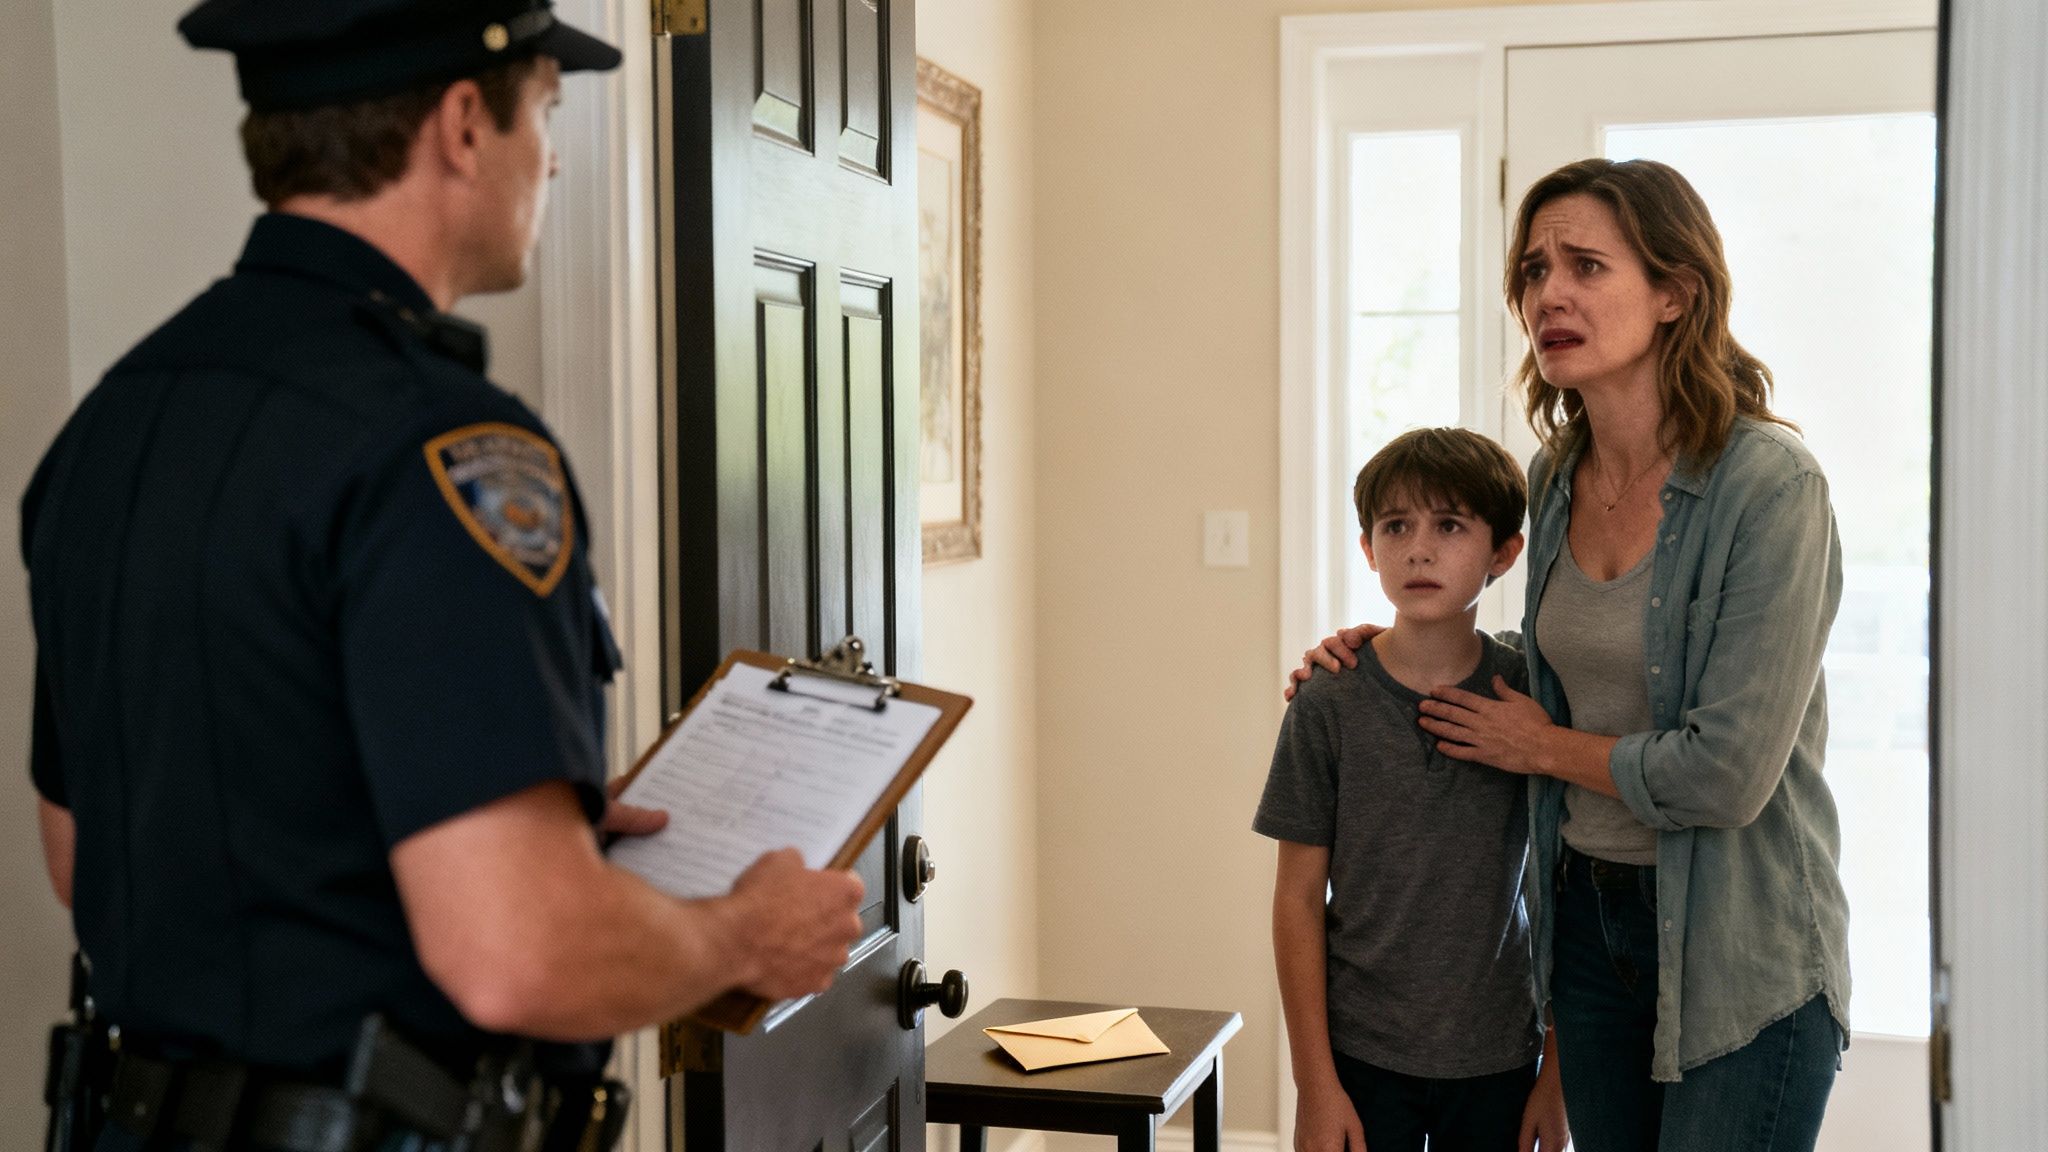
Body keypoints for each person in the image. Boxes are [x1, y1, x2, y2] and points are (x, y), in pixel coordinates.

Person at [20, 3, 865, 1147]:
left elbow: (94, 853)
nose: (555, 156)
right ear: (465, 124)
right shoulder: (445, 451)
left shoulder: (115, 425)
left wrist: (501, 818)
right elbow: (522, 959)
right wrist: (743, 936)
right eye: (549, 114)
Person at [1292, 158, 1849, 1152]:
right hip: (1583, 931)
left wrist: (1540, 750)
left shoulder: (1769, 486)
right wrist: (1383, 653)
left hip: (1736, 944)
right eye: (1532, 269)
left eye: (1586, 265)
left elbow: (1722, 772)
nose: (1547, 292)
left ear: (1675, 292)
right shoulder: (1554, 477)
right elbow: (1563, 668)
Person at [1257, 428, 1568, 1152]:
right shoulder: (1328, 700)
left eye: (1450, 525)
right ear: (1368, 548)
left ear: (1503, 553)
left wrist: (1557, 1076)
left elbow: (1566, 892)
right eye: (1396, 526)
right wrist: (1314, 1086)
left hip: (1502, 1053)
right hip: (1360, 1056)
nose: (1419, 549)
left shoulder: (1530, 696)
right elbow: (1296, 899)